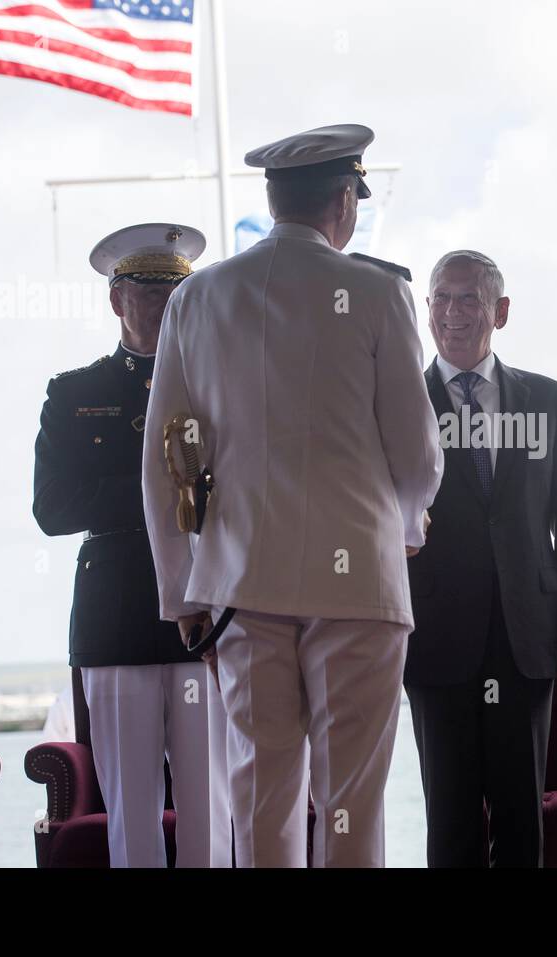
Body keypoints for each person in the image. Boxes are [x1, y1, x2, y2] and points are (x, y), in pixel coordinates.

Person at [142, 124, 443, 867]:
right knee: (350, 807)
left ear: (273, 200)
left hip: (243, 584)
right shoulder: (379, 291)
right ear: (345, 202)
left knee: (259, 797)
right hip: (359, 586)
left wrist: (182, 592)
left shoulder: (197, 297)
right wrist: (406, 524)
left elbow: (163, 456)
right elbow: (417, 450)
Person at [404, 250, 557, 867]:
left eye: (469, 299)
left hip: (528, 637)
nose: (452, 313)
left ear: (501, 311)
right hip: (434, 636)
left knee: (521, 819)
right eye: (441, 298)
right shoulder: (399, 402)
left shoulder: (547, 399)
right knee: (449, 818)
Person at [33, 223, 211, 867]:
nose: (165, 305)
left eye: (177, 292)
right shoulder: (76, 394)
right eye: (147, 291)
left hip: (208, 613)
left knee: (211, 812)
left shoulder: (218, 387)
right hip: (118, 617)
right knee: (130, 817)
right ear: (116, 300)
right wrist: (155, 485)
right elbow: (52, 509)